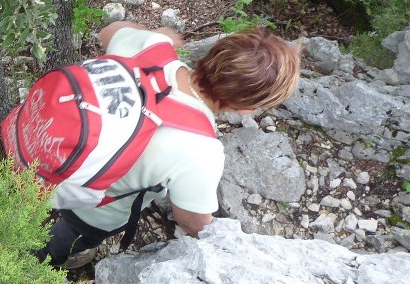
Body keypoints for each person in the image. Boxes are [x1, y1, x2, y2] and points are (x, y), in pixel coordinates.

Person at [37, 21, 301, 267]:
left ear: (213, 52)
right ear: (246, 109)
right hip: (93, 211)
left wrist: (158, 35)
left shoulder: (150, 49)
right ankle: (47, 257)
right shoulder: (202, 151)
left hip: (50, 150)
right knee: (69, 237)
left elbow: (109, 30)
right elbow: (191, 219)